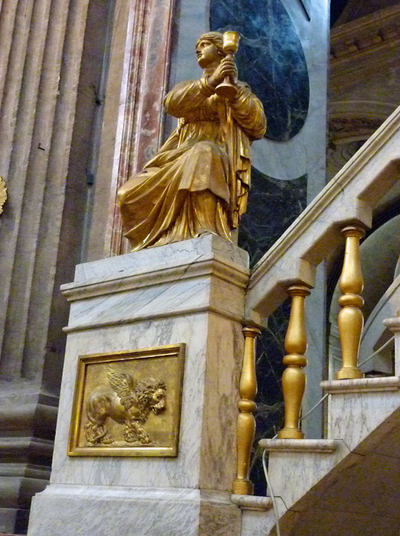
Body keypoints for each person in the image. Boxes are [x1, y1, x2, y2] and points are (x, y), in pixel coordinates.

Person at [118, 31, 266, 251]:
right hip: (178, 154)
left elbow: (258, 125)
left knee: (204, 154)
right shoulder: (191, 86)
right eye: (197, 45)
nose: (198, 48)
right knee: (126, 193)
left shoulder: (239, 89)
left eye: (204, 44)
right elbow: (173, 104)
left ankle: (205, 228)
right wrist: (210, 84)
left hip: (215, 154)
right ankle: (158, 241)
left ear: (219, 50)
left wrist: (233, 92)